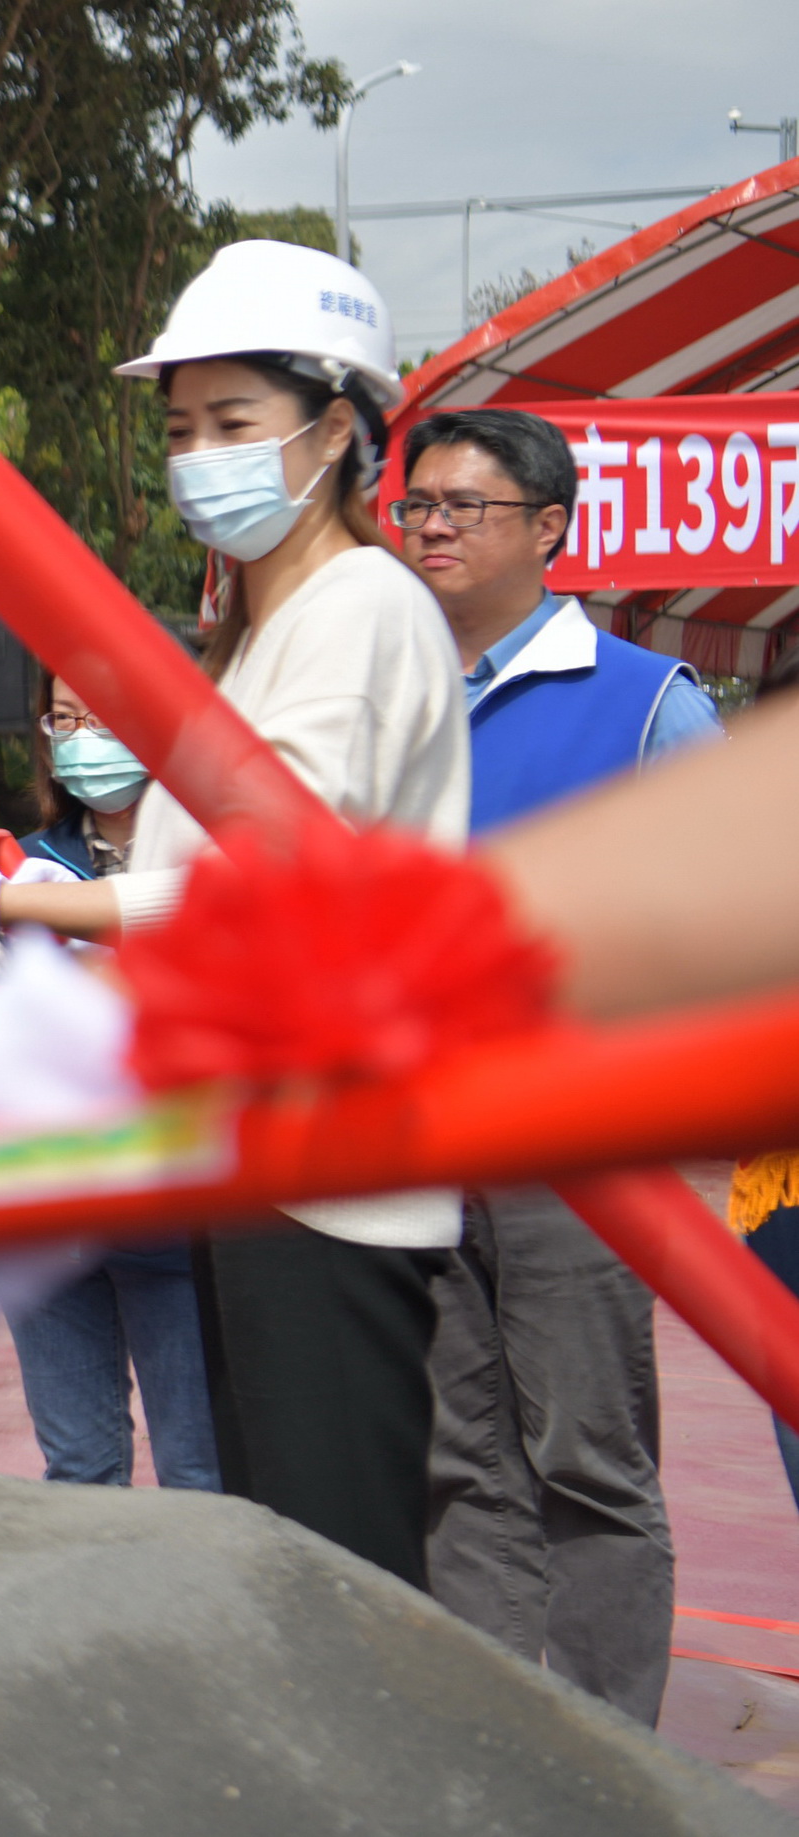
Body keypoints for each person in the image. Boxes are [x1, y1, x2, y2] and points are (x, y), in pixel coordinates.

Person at [0, 241, 471, 1585]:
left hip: (336, 1171)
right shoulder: (253, 627)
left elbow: (263, 876)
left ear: (343, 431)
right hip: (257, 1147)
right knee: (283, 1574)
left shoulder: (358, 611)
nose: (200, 458)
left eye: (237, 423)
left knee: (342, 1584)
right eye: (183, 427)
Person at [394, 405, 715, 1723]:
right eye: (416, 506)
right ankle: (503, 1739)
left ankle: (607, 1758)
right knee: (460, 1461)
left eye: (465, 507)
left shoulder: (647, 703)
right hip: (417, 1139)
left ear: (552, 531)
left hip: (575, 1150)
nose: (433, 529)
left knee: (587, 1457)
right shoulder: (392, 707)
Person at [0, 675, 218, 1493]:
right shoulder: (26, 865)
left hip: (174, 1208)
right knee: (78, 1466)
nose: (83, 734)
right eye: (65, 717)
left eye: (104, 714)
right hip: (46, 1212)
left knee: (201, 1469)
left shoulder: (211, 856)